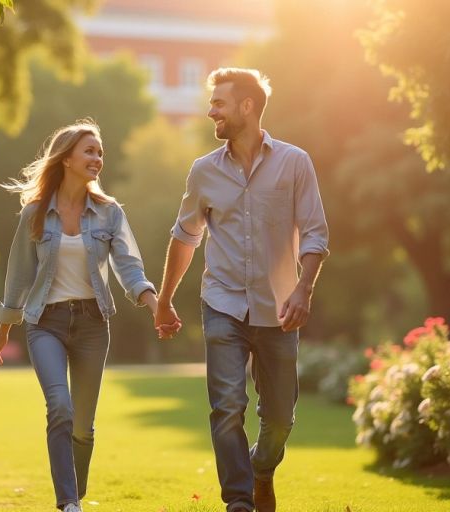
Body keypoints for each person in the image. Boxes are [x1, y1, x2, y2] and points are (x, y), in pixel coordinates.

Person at [155, 68, 329, 512]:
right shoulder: (204, 172)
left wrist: (303, 290)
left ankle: (262, 469)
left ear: (247, 107)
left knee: (279, 421)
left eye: (219, 103)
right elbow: (185, 236)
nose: (211, 110)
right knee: (227, 406)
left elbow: (314, 234)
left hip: (280, 308)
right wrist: (165, 298)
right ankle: (238, 501)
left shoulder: (295, 163)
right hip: (222, 303)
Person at [0, 119, 176, 512]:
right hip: (45, 324)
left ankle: (75, 489)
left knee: (82, 426)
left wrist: (156, 306)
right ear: (67, 158)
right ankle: (68, 502)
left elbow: (129, 268)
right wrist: (4, 330)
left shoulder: (109, 213)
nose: (97, 159)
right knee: (59, 406)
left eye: (100, 152)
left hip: (93, 324)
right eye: (89, 151)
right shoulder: (36, 213)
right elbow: (19, 274)